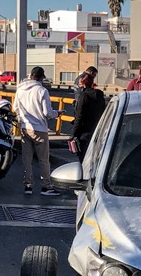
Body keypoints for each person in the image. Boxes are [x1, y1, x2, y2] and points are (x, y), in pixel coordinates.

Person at [13, 66, 63, 196]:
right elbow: (47, 113)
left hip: (25, 128)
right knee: (43, 159)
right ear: (41, 78)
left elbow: (15, 108)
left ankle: (28, 186)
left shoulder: (20, 89)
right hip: (40, 129)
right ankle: (46, 186)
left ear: (30, 76)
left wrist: (22, 119)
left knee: (27, 159)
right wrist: (57, 113)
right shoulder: (42, 91)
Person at [70, 73, 106, 164]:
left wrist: (73, 135)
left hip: (84, 133)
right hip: (98, 131)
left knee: (84, 160)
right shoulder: (100, 95)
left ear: (83, 84)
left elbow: (79, 117)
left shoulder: (84, 96)